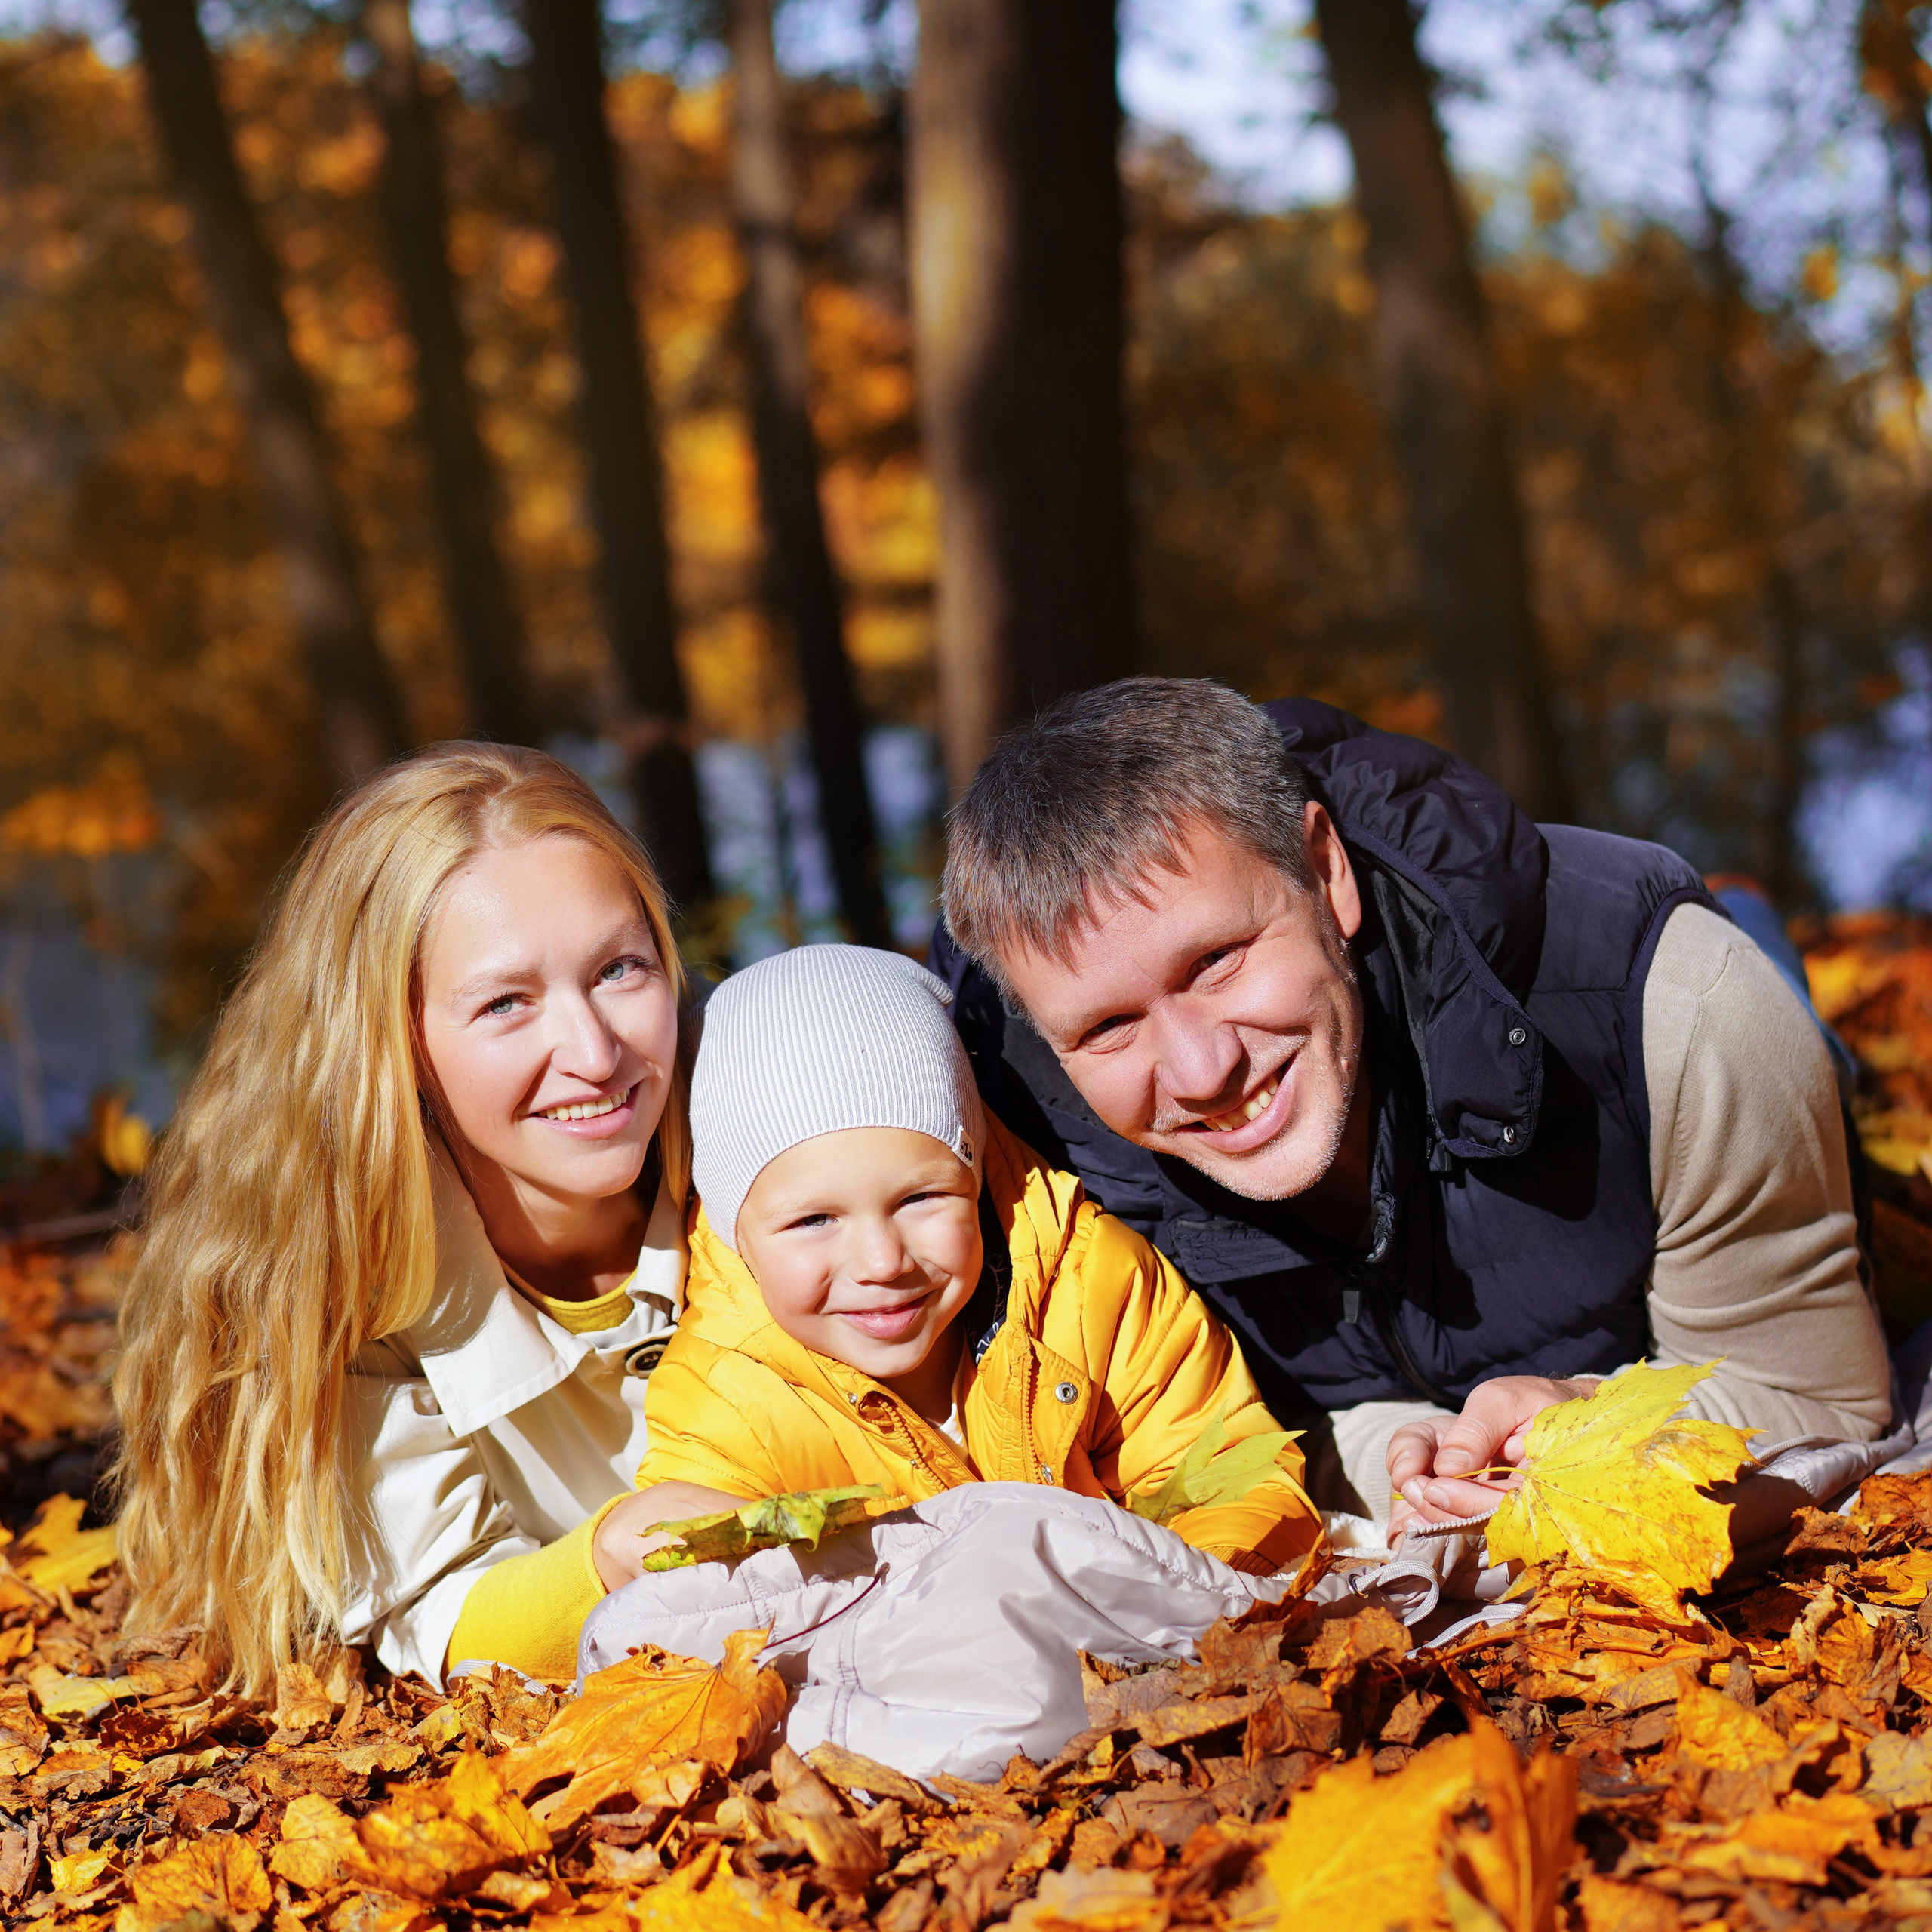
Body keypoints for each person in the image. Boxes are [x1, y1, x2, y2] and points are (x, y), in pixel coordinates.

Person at [931, 678, 1893, 1535]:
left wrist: (1584, 1423)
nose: (1200, 1070)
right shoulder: (1033, 1162)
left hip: (1727, 1018)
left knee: (1797, 1039)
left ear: (1325, 872)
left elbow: (1813, 1393)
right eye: (1107, 1027)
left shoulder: (1672, 1004)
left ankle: (1757, 928)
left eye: (1216, 961)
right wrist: (1407, 1452)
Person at [113, 743, 730, 1690]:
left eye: (619, 968)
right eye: (506, 1003)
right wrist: (607, 1559)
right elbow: (445, 1609)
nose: (593, 1051)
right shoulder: (340, 1281)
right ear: (393, 1040)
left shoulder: (775, 1126)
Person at [594, 944, 1321, 1583]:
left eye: (921, 1198)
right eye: (814, 1221)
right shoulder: (724, 1400)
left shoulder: (1092, 1286)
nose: (882, 1261)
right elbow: (706, 1612)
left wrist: (1191, 1621)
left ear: (973, 1176)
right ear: (737, 1236)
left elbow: (1227, 1475)